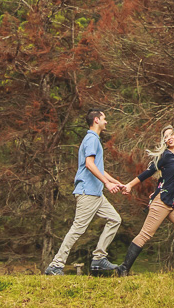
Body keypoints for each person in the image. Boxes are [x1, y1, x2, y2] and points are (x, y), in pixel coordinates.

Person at [44, 108, 126, 277]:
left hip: (96, 193)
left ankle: (98, 258)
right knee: (78, 229)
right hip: (88, 192)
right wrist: (107, 184)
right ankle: (56, 265)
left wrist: (116, 183)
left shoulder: (94, 139)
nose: (106, 121)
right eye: (104, 118)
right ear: (96, 120)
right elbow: (89, 164)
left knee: (115, 219)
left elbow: (99, 169)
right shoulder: (91, 139)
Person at [115, 125, 174, 276]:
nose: (169, 137)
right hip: (161, 202)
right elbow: (148, 172)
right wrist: (130, 185)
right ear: (164, 141)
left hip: (172, 203)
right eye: (165, 136)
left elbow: (168, 178)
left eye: (171, 134)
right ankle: (123, 268)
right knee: (145, 234)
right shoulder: (165, 156)